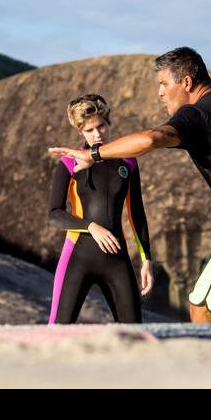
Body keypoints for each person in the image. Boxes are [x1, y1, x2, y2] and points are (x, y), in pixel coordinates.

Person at [49, 47, 211, 324]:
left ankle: (204, 367)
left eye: (164, 84)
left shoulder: (196, 116)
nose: (160, 93)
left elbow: (151, 139)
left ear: (186, 82)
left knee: (201, 309)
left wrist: (92, 154)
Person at [48, 93, 154, 324]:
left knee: (135, 334)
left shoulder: (128, 162)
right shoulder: (69, 163)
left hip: (117, 259)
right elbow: (54, 214)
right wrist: (91, 226)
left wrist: (147, 260)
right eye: (89, 130)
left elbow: (136, 212)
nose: (97, 134)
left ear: (108, 122)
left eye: (101, 126)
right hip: (77, 257)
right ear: (80, 131)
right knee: (56, 332)